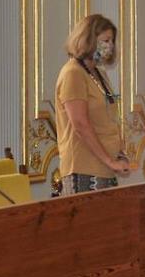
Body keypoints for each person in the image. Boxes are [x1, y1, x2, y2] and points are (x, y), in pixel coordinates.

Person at [54, 14, 129, 194]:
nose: (110, 46)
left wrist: (119, 155)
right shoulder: (73, 73)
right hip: (83, 169)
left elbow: (109, 119)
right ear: (88, 40)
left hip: (106, 167)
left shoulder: (99, 74)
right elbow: (80, 124)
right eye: (105, 40)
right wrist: (109, 161)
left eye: (112, 41)